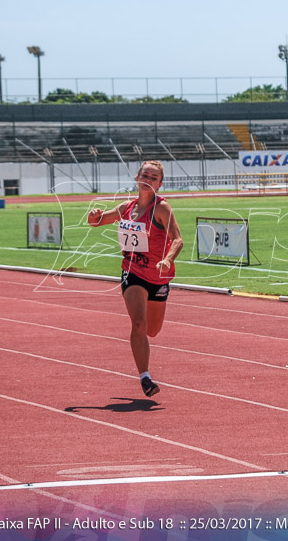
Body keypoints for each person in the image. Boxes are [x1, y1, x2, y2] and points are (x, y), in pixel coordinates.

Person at [87, 160, 183, 398]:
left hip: (159, 276)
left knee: (153, 331)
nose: (148, 180)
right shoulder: (125, 208)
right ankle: (145, 377)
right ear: (137, 177)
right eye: (145, 175)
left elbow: (178, 239)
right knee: (139, 324)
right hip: (133, 272)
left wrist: (168, 259)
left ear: (160, 184)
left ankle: (144, 369)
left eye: (153, 177)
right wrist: (94, 215)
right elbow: (96, 222)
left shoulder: (162, 209)